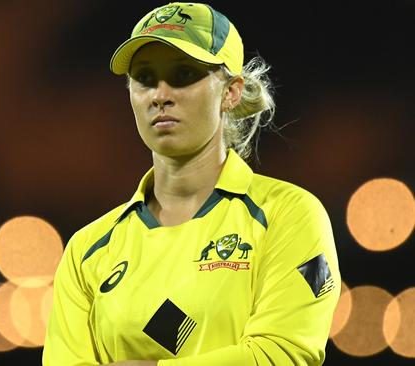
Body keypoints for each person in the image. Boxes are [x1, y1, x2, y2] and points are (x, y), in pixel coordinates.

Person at [42, 2, 340, 365]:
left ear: (231, 92)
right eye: (145, 78)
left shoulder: (288, 216)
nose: (160, 95)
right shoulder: (87, 250)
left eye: (183, 75)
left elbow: (283, 353)